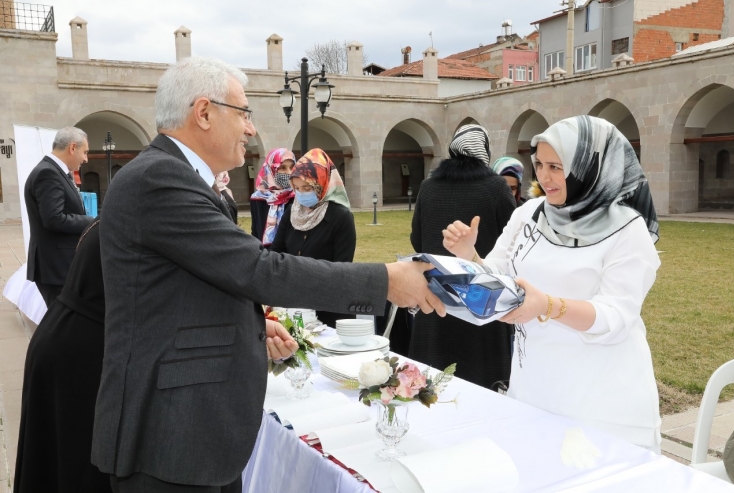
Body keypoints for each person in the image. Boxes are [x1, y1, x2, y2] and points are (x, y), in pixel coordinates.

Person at [93, 56, 444, 493]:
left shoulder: (176, 177)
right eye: (243, 113)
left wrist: (251, 324)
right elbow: (258, 268)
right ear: (203, 113)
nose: (251, 129)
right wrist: (388, 280)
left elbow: (187, 286)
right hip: (170, 436)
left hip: (195, 434)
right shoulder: (159, 178)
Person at [442, 115, 662, 453]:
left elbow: (615, 318)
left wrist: (546, 306)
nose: (544, 177)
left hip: (601, 401)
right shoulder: (529, 213)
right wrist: (469, 255)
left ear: (591, 168)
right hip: (535, 385)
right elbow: (500, 276)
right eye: (540, 164)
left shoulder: (628, 231)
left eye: (557, 167)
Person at [408, 124, 516, 388]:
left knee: (431, 384)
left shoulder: (428, 187)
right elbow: (514, 242)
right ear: (485, 151)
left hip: (435, 298)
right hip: (483, 301)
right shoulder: (496, 187)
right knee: (483, 383)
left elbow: (417, 240)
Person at [14, 220, 111, 493]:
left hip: (67, 336)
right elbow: (53, 217)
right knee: (68, 460)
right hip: (76, 352)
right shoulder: (47, 174)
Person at [270, 148, 357, 328]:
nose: (301, 194)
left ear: (322, 183)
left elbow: (342, 267)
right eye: (297, 188)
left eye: (307, 188)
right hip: (294, 304)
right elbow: (276, 252)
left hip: (330, 306)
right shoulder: (291, 212)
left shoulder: (340, 217)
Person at [24, 126, 95, 306]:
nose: (86, 159)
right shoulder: (48, 173)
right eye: (85, 152)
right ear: (72, 148)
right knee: (60, 327)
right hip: (56, 267)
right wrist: (92, 222)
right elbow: (54, 219)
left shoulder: (54, 171)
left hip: (59, 266)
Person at [249, 148, 296, 245]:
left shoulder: (297, 197)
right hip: (264, 254)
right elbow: (256, 231)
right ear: (270, 169)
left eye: (292, 167)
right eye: (282, 168)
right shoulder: (258, 198)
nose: (289, 172)